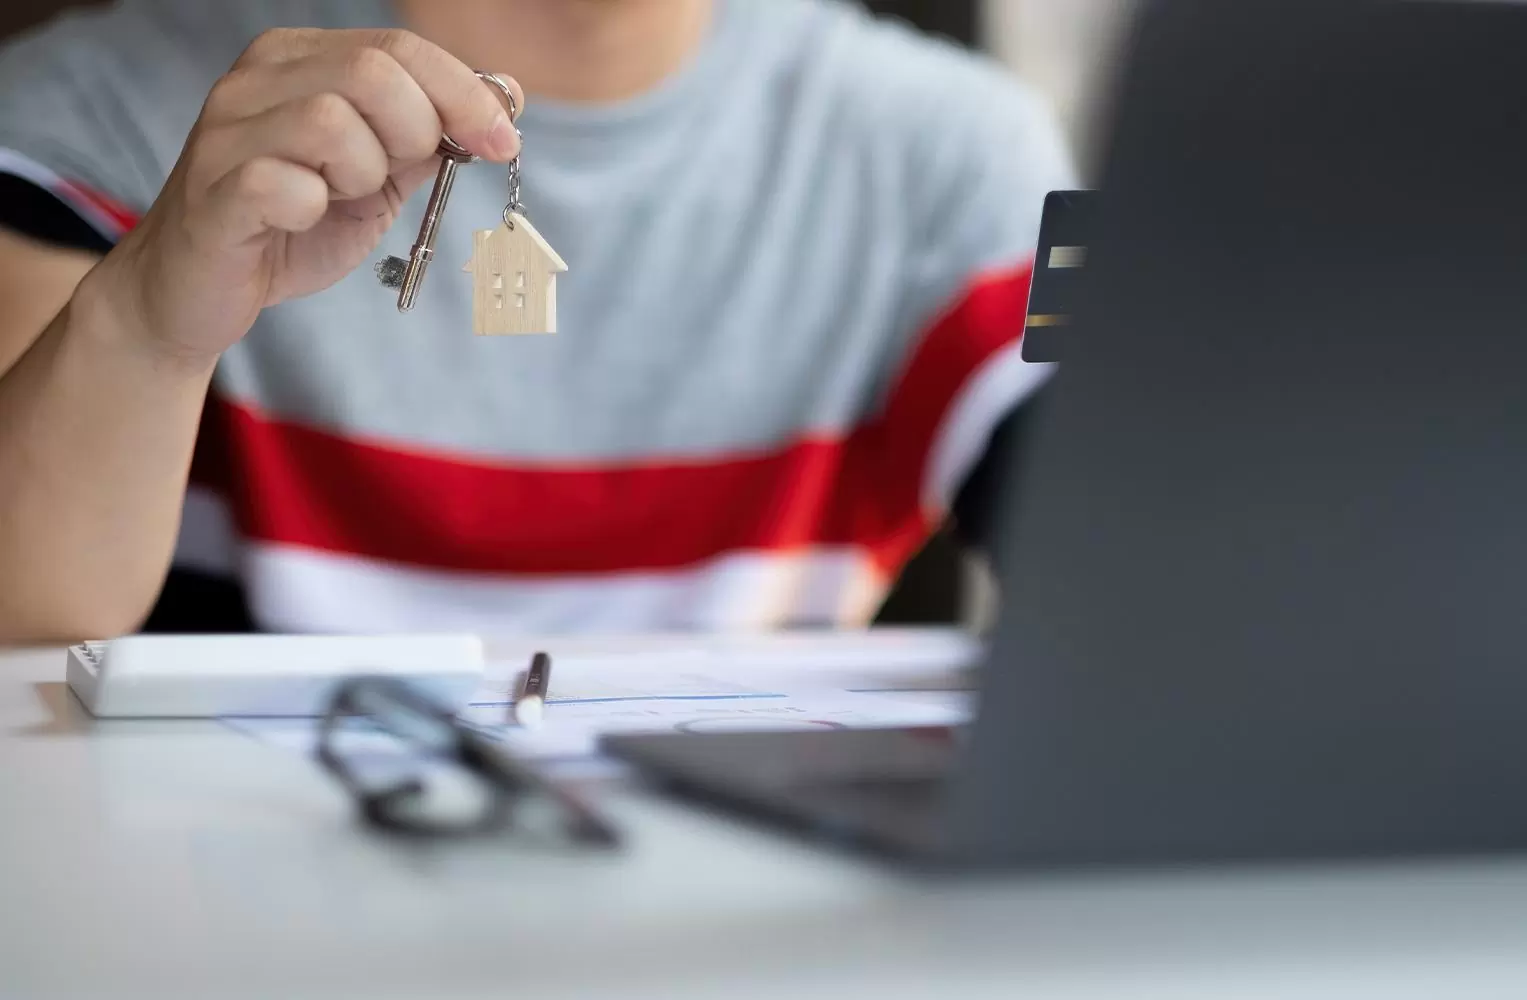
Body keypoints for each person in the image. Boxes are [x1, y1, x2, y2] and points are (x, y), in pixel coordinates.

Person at [0, 0, 1074, 641]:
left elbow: (1154, 584)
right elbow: (19, 622)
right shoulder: (87, 114)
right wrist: (148, 325)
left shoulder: (964, 153)